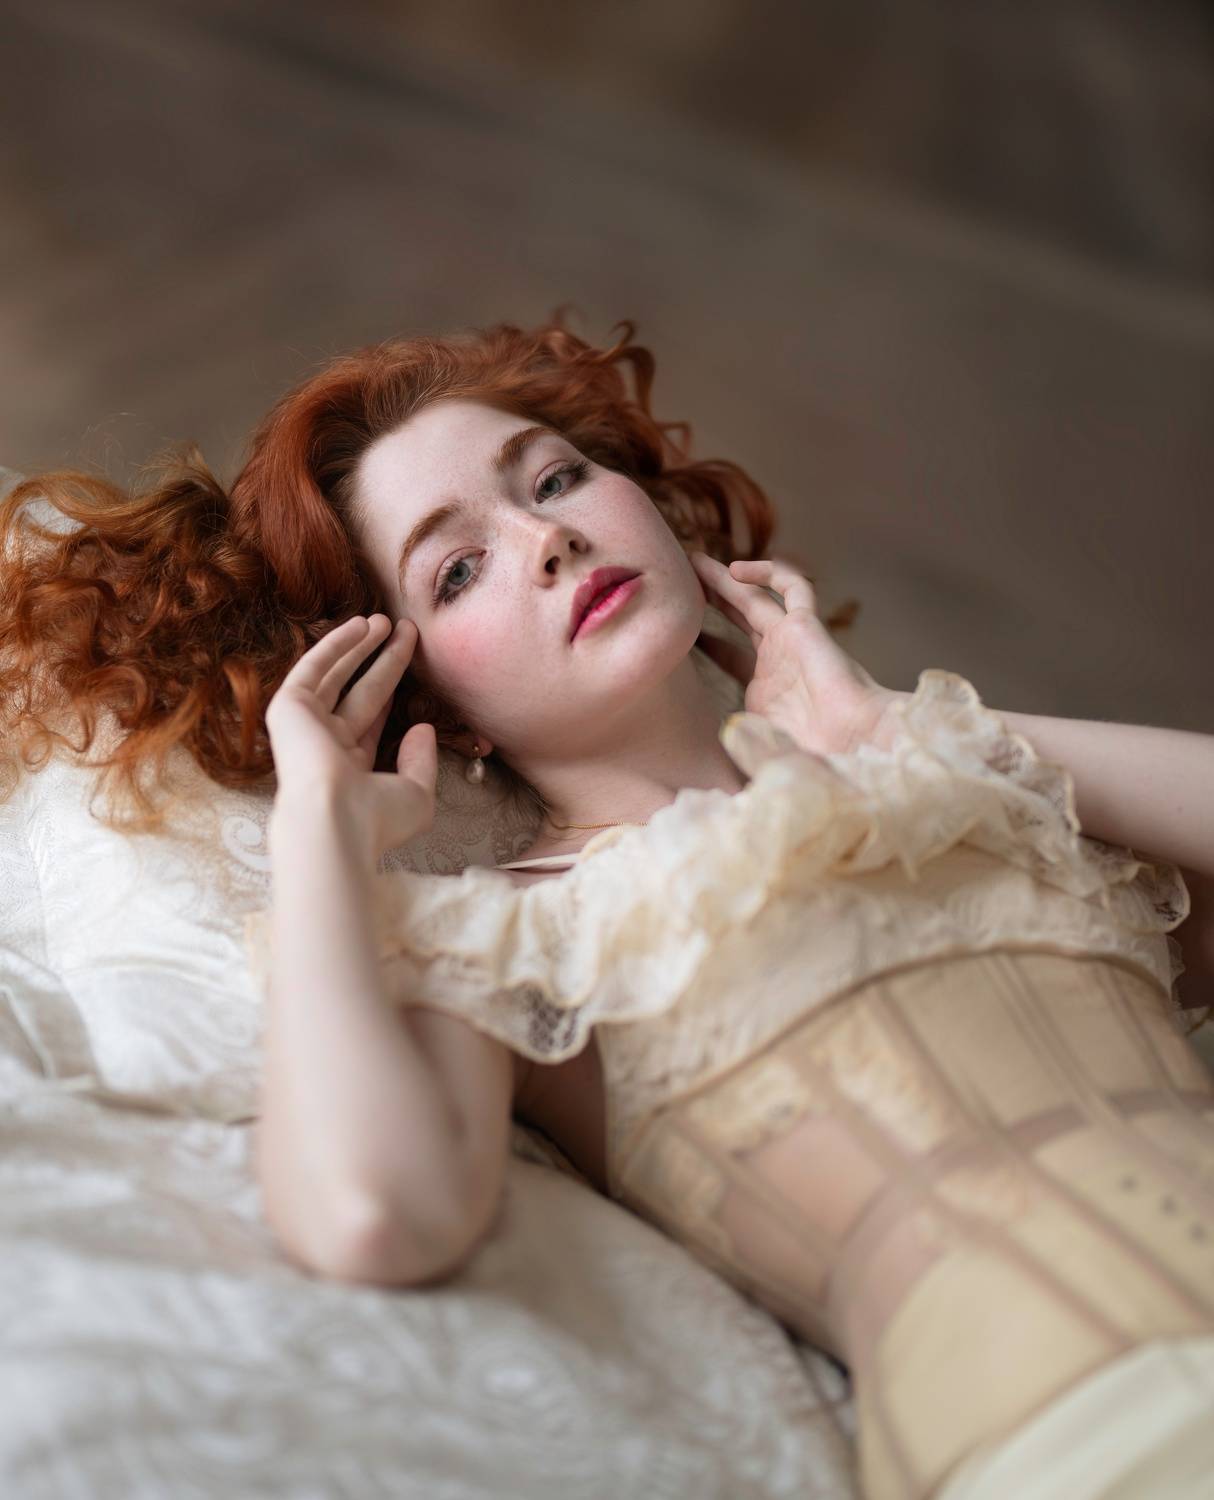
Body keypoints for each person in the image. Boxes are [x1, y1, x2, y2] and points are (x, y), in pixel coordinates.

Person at [3, 314, 1213, 1499]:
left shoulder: (958, 784)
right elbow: (373, 1216)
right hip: (1074, 1439)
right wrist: (321, 826)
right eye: (457, 569)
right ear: (435, 705)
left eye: (554, 478)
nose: (548, 538)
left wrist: (890, 725)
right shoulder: (519, 935)